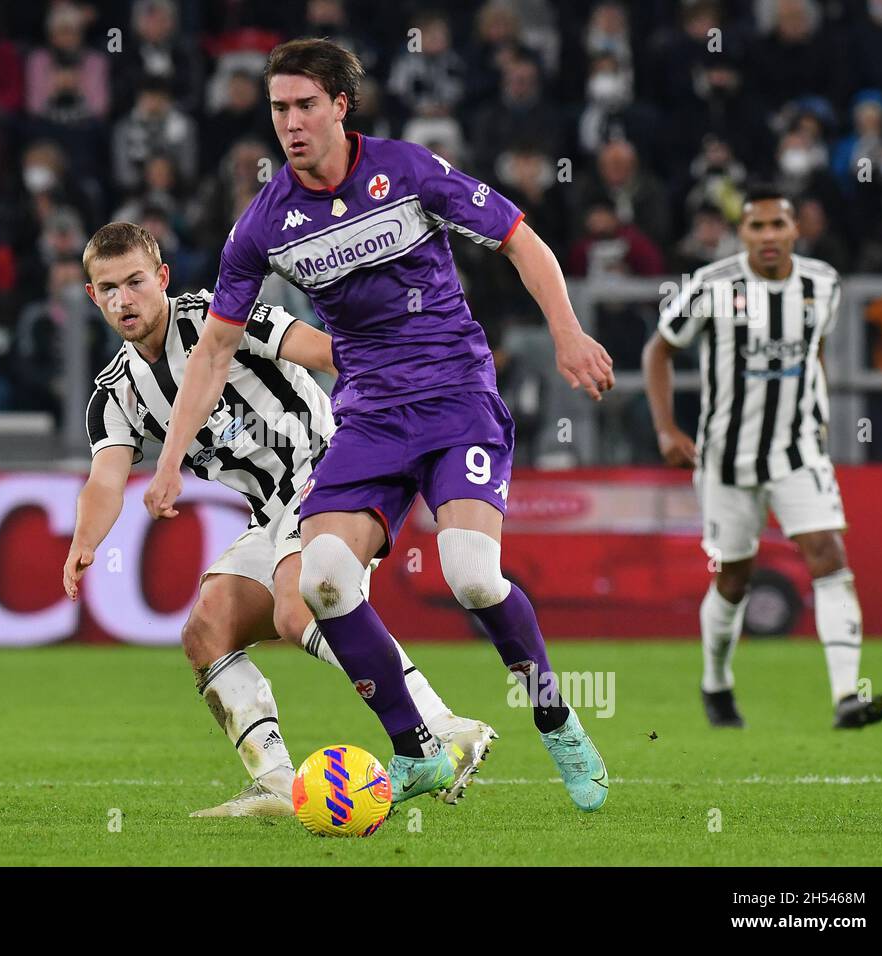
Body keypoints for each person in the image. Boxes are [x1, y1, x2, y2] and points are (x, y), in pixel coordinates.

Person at [147, 39, 613, 812]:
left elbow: (519, 239)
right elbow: (214, 349)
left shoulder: (409, 170)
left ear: (339, 104)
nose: (289, 123)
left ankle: (555, 717)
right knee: (324, 583)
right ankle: (418, 751)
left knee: (471, 575)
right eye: (277, 108)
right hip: (367, 414)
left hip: (456, 395)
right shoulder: (264, 224)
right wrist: (167, 464)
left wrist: (565, 329)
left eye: (303, 105)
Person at [65, 221, 496, 816]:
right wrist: (85, 539)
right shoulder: (116, 392)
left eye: (135, 282)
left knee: (299, 610)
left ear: (161, 278)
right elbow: (105, 479)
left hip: (330, 473)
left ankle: (443, 725)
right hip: (270, 511)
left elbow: (330, 353)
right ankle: (276, 786)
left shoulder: (227, 320)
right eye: (107, 288)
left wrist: (396, 429)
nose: (123, 299)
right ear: (92, 295)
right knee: (205, 632)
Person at [642, 184, 882, 730]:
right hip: (726, 459)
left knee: (828, 555)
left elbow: (816, 349)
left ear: (795, 229)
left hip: (799, 450)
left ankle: (847, 696)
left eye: (778, 225)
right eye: (757, 227)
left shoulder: (822, 283)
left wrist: (818, 410)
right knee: (734, 578)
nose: (769, 236)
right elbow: (659, 348)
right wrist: (666, 430)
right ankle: (716, 682)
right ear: (742, 234)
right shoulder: (712, 285)